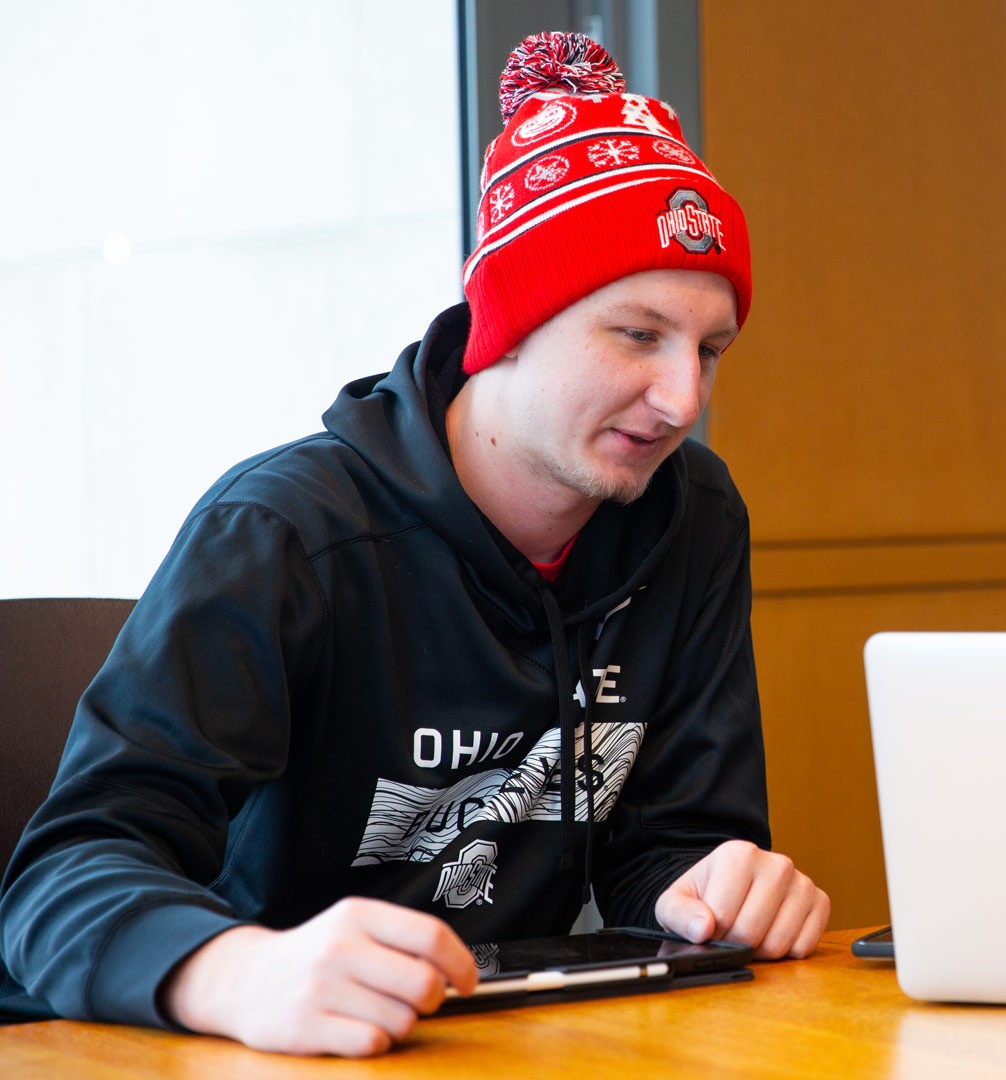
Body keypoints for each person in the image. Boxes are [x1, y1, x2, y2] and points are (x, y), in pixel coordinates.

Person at [0, 32, 828, 1056]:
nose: (682, 400)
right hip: (253, 1051)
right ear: (508, 326)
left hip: (505, 1047)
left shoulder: (690, 519)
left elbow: (669, 850)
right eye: (637, 334)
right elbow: (62, 874)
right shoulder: (284, 533)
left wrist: (718, 890)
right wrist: (238, 971)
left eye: (710, 350)